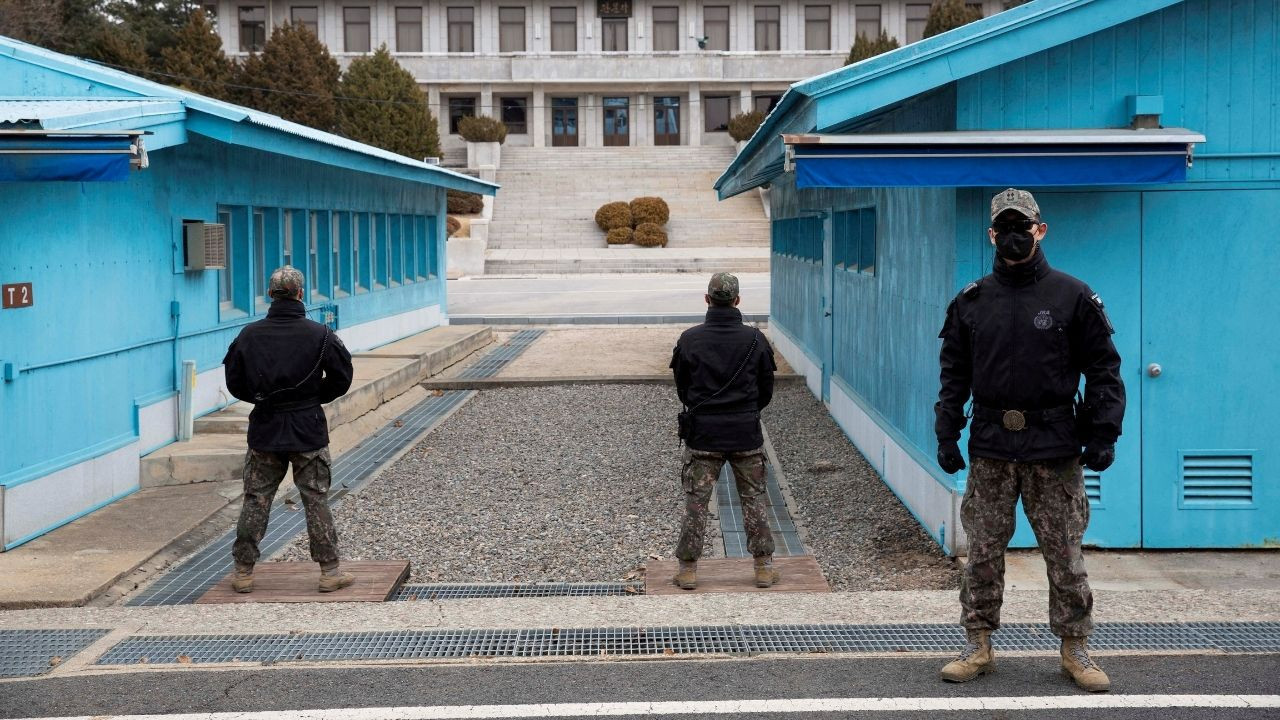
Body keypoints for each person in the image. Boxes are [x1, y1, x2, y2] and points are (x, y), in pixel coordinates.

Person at [934, 189, 1125, 692]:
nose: (1016, 235)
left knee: (1065, 555)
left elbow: (1104, 369)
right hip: (992, 446)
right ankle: (977, 644)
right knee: (981, 553)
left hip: (1054, 448)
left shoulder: (1072, 296)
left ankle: (1075, 647)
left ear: (1042, 230)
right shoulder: (971, 302)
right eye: (1006, 227)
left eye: (1026, 226)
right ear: (993, 235)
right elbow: (953, 376)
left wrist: (1104, 431)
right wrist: (946, 432)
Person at [222, 266, 355, 594]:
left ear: (270, 295)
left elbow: (234, 383)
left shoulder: (249, 335)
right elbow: (342, 378)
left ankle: (242, 572)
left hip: (265, 428)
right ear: (300, 293)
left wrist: (261, 399)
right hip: (307, 428)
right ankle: (329, 572)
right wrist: (313, 398)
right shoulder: (320, 335)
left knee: (256, 499)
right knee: (316, 498)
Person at [669, 272, 780, 590]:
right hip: (745, 433)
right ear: (738, 301)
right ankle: (763, 567)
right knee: (754, 499)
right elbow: (766, 391)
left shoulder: (689, 339)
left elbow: (683, 389)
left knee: (696, 502)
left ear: (707, 300)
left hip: (704, 436)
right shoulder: (755, 340)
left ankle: (688, 570)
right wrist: (745, 409)